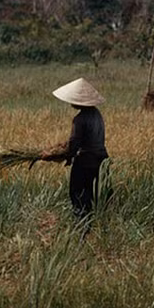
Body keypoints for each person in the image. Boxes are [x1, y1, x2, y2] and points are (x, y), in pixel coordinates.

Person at [41, 77, 110, 224]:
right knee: (96, 197)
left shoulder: (79, 119)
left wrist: (50, 155)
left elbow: (72, 147)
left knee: (79, 197)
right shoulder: (97, 115)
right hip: (102, 161)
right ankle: (96, 227)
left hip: (86, 163)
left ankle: (82, 229)